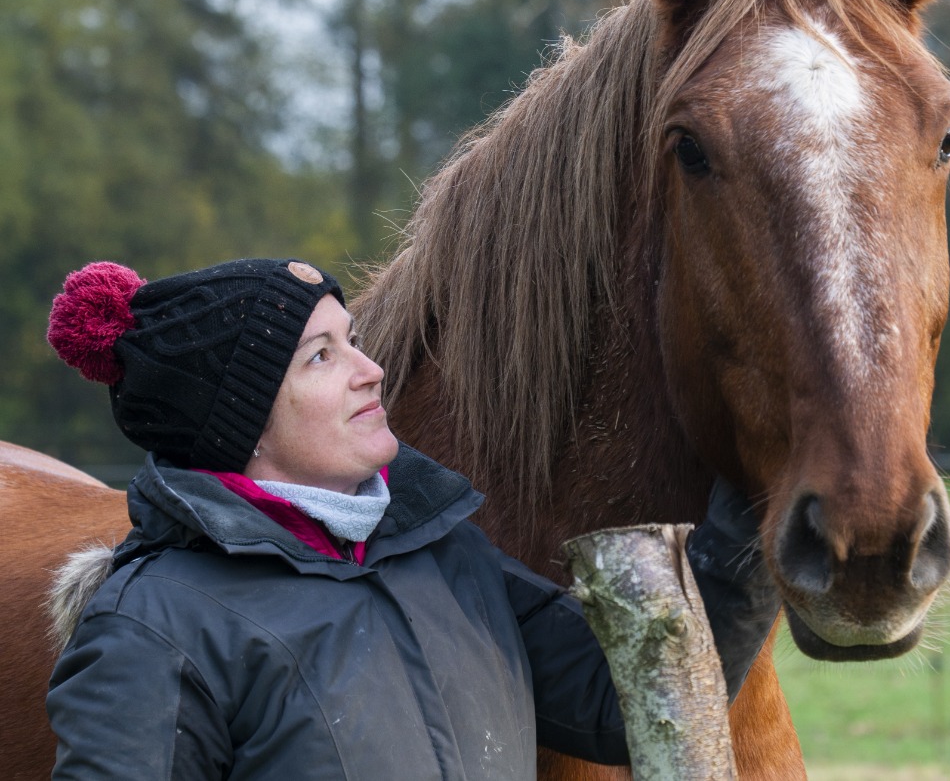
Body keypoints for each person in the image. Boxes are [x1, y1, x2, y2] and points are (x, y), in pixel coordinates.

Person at [45, 257, 779, 779]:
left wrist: (757, 491)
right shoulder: (152, 629)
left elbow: (618, 703)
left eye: (354, 341)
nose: (371, 370)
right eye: (321, 357)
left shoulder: (440, 551)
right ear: (241, 427)